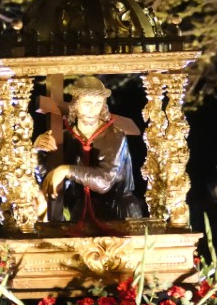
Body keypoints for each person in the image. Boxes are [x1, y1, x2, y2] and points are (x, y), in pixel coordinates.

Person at [33, 76, 142, 225]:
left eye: (98, 104)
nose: (93, 110)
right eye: (87, 103)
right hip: (81, 215)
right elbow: (49, 179)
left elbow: (104, 181)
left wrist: (66, 170)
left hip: (116, 213)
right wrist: (37, 151)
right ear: (75, 104)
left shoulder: (114, 135)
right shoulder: (66, 137)